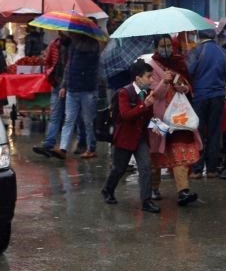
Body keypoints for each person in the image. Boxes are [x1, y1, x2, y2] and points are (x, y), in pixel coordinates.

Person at [145, 35, 201, 206]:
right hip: (158, 118)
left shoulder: (179, 62)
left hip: (178, 117)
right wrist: (164, 81)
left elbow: (188, 86)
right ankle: (153, 188)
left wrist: (183, 87)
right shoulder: (151, 66)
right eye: (163, 46)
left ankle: (183, 192)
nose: (167, 48)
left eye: (169, 45)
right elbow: (152, 92)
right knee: (155, 152)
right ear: (156, 47)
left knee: (180, 151)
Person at [100, 59, 159, 213]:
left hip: (140, 138)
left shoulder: (147, 94)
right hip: (125, 138)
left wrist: (160, 127)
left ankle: (146, 200)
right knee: (119, 168)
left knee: (145, 167)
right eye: (148, 77)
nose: (151, 80)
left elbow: (148, 117)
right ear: (138, 78)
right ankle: (108, 189)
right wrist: (143, 105)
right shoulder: (124, 93)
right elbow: (126, 115)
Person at [186, 29, 226, 178]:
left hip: (200, 97)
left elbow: (188, 72)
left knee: (198, 131)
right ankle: (212, 169)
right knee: (215, 132)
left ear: (199, 36)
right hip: (218, 96)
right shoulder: (223, 52)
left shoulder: (196, 52)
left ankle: (198, 169)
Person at [51, 34, 101, 159]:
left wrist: (64, 85)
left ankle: (91, 148)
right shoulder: (75, 44)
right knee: (71, 120)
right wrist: (64, 85)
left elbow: (70, 66)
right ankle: (63, 148)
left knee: (87, 121)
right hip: (75, 89)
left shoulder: (92, 45)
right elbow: (69, 66)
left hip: (87, 90)